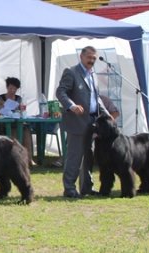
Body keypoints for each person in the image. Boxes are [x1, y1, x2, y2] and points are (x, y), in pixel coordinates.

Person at [56, 46, 109, 198]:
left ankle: (87, 188)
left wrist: (105, 113)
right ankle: (69, 189)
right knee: (75, 157)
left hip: (93, 122)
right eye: (89, 57)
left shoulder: (93, 75)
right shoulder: (71, 72)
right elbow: (61, 92)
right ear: (81, 56)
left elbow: (96, 98)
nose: (91, 61)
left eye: (94, 58)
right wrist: (71, 106)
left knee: (88, 157)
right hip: (77, 123)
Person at [50, 94, 118, 168]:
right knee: (73, 134)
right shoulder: (80, 100)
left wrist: (105, 123)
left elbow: (116, 113)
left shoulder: (104, 99)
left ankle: (85, 160)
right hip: (85, 126)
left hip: (100, 129)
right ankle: (65, 159)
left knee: (87, 136)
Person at [0, 77, 36, 166]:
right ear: (7, 87)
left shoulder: (19, 99)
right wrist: (5, 110)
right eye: (11, 88)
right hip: (3, 125)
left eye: (15, 89)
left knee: (26, 131)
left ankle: (29, 158)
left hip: (17, 123)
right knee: (14, 133)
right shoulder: (1, 98)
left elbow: (22, 110)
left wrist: (20, 111)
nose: (12, 90)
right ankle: (15, 158)